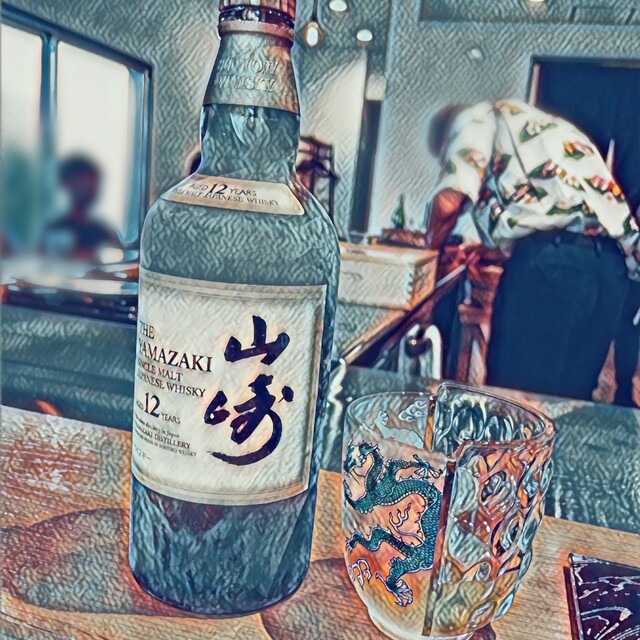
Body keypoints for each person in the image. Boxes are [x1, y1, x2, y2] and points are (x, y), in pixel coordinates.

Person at [425, 99, 639, 400]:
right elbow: (555, 213)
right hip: (610, 272)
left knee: (514, 400)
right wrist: (493, 249)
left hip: (550, 271)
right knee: (564, 403)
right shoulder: (555, 130)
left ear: (448, 137)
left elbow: (449, 201)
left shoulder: (475, 117)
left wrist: (427, 249)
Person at [41, 155, 121, 262]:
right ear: (66, 184)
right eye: (82, 181)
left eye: (93, 183)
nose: (89, 188)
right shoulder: (53, 230)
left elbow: (117, 261)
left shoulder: (105, 233)